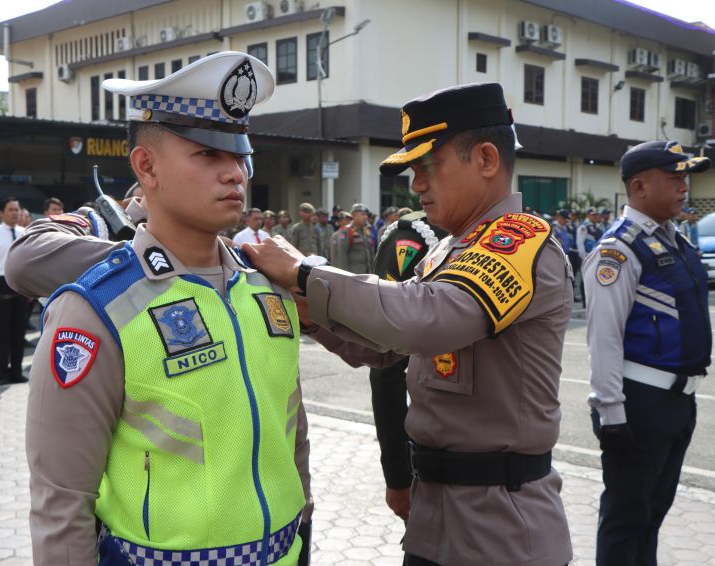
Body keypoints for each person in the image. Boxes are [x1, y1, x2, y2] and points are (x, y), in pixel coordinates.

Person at [244, 82, 573, 566]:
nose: (416, 185)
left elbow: (421, 320)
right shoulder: (447, 250)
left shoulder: (520, 242)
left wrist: (305, 273)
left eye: (428, 167)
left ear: (486, 159)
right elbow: (387, 349)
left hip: (501, 523)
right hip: (435, 512)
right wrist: (311, 315)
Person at [8, 52, 313, 565]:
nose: (234, 174)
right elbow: (61, 504)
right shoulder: (97, 310)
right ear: (146, 167)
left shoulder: (267, 289)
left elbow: (292, 436)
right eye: (208, 154)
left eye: (240, 156)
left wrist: (304, 529)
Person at [584, 141, 712, 566]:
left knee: (651, 516)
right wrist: (611, 413)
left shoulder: (675, 242)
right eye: (674, 178)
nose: (684, 187)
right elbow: (604, 338)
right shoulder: (619, 250)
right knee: (626, 519)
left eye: (685, 178)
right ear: (639, 187)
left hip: (677, 402)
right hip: (639, 404)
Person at [368, 211, 447, 521]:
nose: (419, 187)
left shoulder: (515, 234)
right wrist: (398, 474)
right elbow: (387, 363)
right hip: (438, 456)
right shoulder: (416, 235)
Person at [0, 197, 28, 385]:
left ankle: (17, 372)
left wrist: (31, 288)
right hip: (1, 284)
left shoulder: (24, 232)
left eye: (17, 209)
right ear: (1, 213)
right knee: (3, 334)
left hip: (20, 285)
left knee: (19, 333)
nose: (15, 213)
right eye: (10, 210)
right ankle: (2, 373)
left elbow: (28, 263)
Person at [332, 203, 375, 274]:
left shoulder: (367, 231)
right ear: (354, 215)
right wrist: (345, 276)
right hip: (354, 275)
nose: (366, 217)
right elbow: (342, 257)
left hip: (368, 275)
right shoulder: (346, 231)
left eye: (366, 215)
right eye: (363, 214)